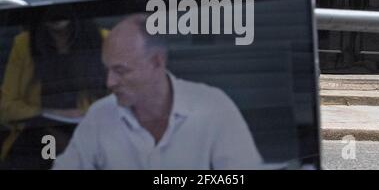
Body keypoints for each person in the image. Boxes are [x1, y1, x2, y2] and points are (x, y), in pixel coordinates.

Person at [53, 14, 262, 169]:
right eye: (107, 70)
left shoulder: (214, 107)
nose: (109, 82)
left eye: (120, 70)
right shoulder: (100, 115)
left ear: (156, 62)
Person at [0, 17, 108, 169]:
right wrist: (47, 112)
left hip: (87, 133)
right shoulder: (24, 44)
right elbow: (5, 108)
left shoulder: (104, 40)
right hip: (35, 134)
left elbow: (125, 97)